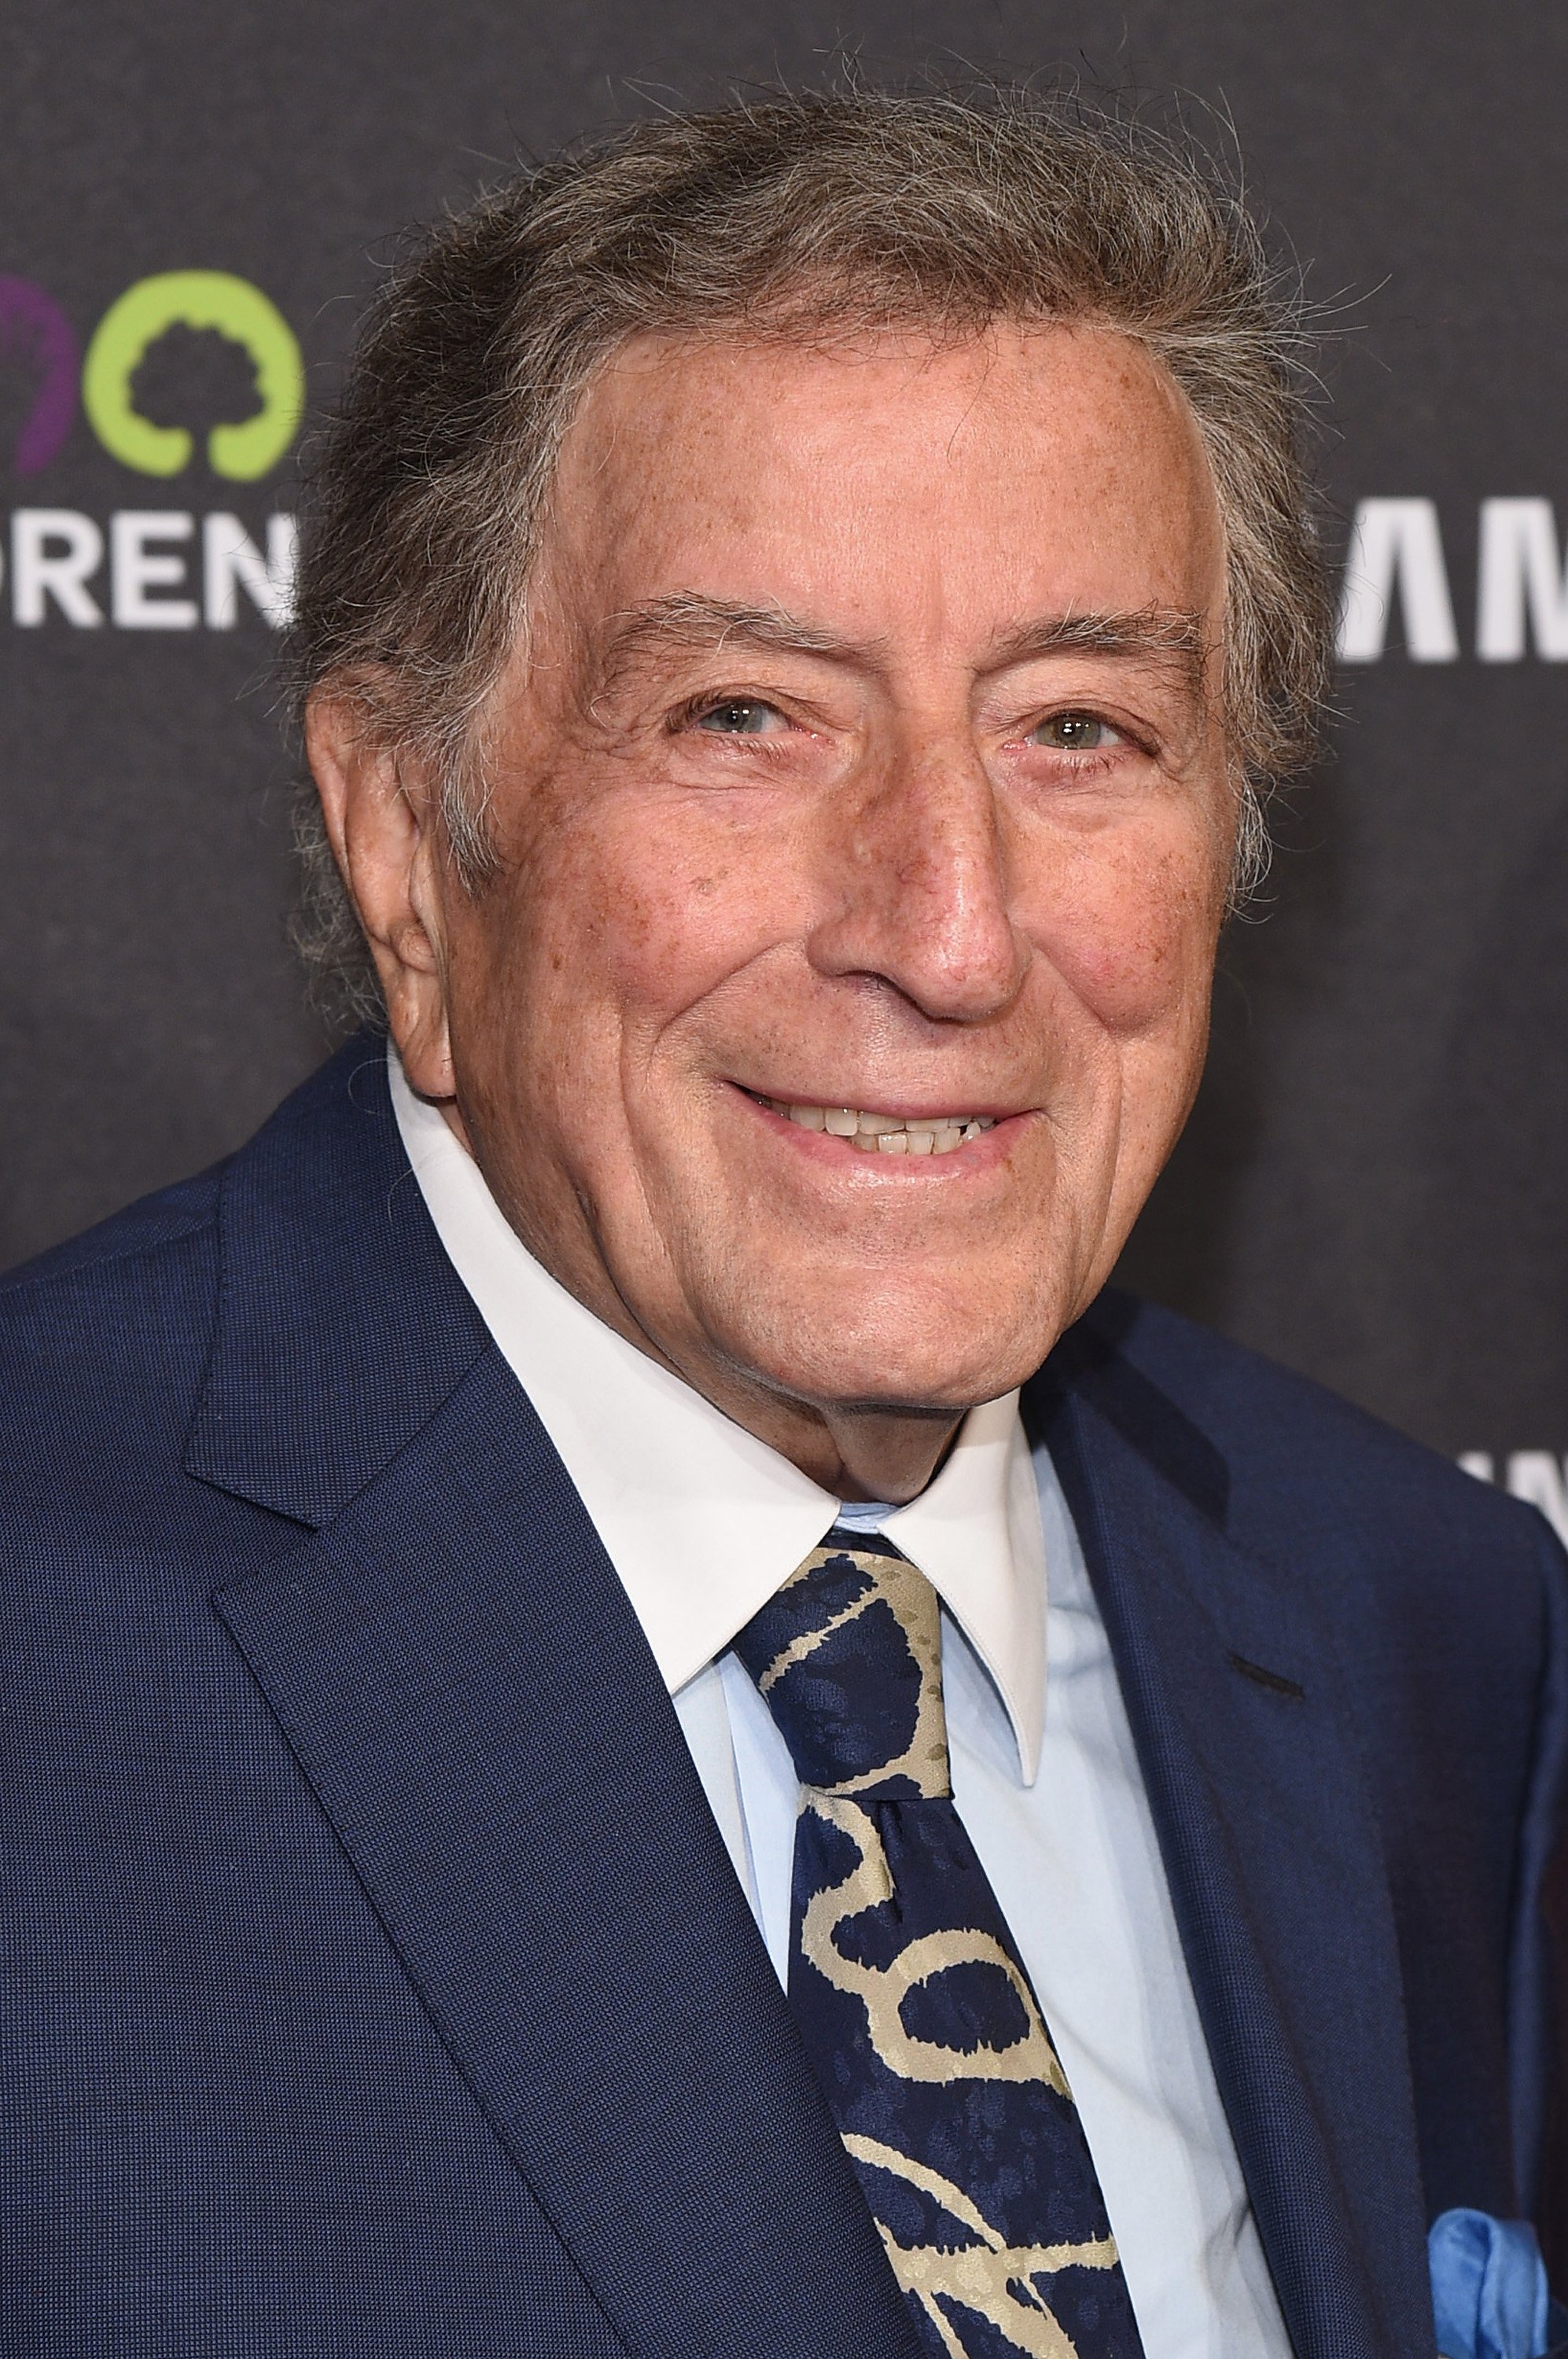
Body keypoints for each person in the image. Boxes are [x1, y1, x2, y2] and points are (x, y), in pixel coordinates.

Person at [3, 87, 1563, 2359]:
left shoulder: (1424, 1632)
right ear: (403, 841)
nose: (944, 930)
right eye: (744, 716)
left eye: (1077, 727)